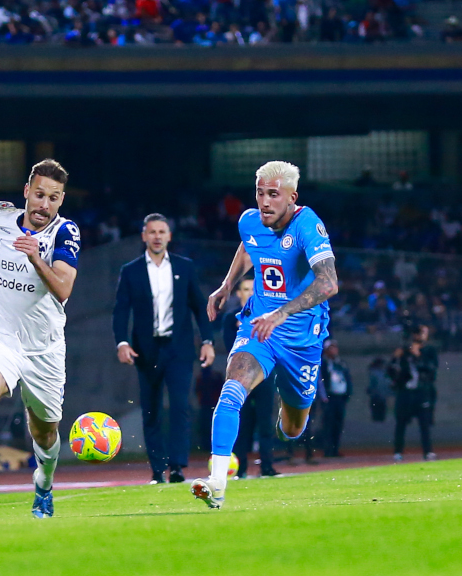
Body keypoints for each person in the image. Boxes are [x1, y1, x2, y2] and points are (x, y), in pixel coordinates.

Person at [194, 161, 339, 509]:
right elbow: (247, 247)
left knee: (292, 428)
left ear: (292, 197)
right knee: (232, 387)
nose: (264, 202)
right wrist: (227, 285)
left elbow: (329, 283)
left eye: (273, 194)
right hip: (259, 328)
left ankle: (287, 414)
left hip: (303, 341)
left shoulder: (308, 225)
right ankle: (216, 483)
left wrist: (283, 312)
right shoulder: (249, 220)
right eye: (260, 193)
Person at [0, 160, 80, 518]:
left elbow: (63, 288)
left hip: (44, 348)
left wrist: (36, 257)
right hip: (2, 333)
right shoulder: (2, 215)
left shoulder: (65, 233)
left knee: (44, 433)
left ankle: (44, 483)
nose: (44, 204)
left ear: (61, 201)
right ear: (27, 192)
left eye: (53, 198)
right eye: (39, 194)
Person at [113, 214, 216, 484]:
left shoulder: (185, 267)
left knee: (181, 405)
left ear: (169, 236)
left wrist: (207, 341)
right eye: (152, 232)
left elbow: (199, 306)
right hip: (146, 351)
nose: (157, 236)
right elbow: (121, 310)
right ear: (144, 236)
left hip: (179, 348)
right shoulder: (130, 270)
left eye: (162, 231)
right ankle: (157, 469)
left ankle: (178, 467)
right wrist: (122, 342)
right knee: (151, 409)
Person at [223, 278, 279, 478]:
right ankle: (241, 468)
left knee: (265, 422)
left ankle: (267, 467)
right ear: (239, 293)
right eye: (245, 289)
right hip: (240, 378)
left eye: (253, 289)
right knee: (242, 422)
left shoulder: (269, 317)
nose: (249, 292)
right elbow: (230, 347)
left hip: (264, 376)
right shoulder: (231, 318)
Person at [392, 324, 438, 461]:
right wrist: (396, 357)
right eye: (420, 333)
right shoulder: (404, 351)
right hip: (405, 391)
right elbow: (393, 370)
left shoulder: (429, 351)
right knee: (401, 423)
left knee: (424, 423)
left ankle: (428, 451)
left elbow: (432, 370)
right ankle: (398, 451)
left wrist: (418, 356)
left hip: (421, 391)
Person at [317, 341, 352, 458]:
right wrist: (324, 396)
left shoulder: (341, 363)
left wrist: (348, 393)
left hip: (340, 397)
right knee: (328, 424)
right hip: (329, 397)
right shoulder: (323, 363)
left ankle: (335, 448)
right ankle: (327, 449)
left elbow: (347, 377)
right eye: (331, 348)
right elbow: (321, 380)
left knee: (338, 424)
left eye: (335, 348)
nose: (334, 350)